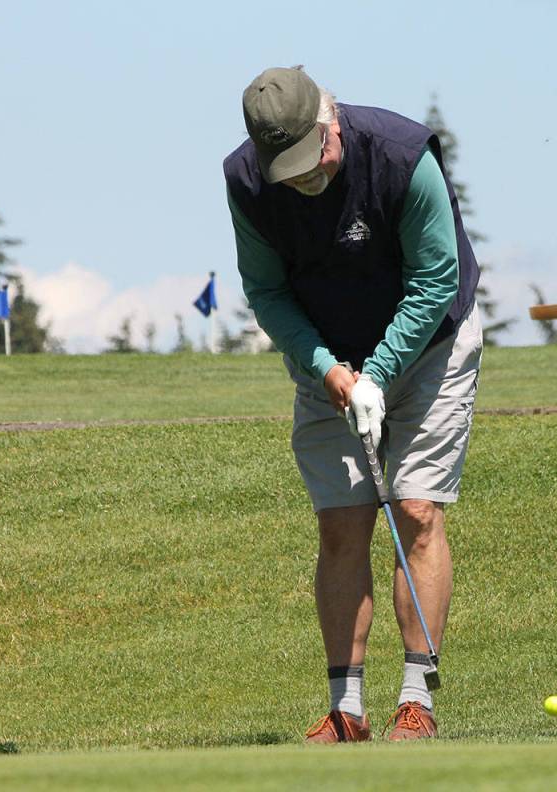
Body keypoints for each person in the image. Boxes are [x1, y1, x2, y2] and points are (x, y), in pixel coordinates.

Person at [223, 66, 481, 743]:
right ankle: (348, 711)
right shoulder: (247, 181)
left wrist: (379, 372)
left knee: (416, 508)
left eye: (315, 159)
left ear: (329, 122)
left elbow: (435, 280)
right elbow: (268, 292)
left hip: (431, 346)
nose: (306, 178)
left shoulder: (401, 156)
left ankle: (416, 700)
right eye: (291, 170)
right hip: (328, 358)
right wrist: (330, 372)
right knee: (341, 523)